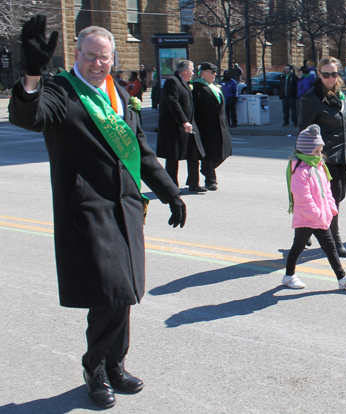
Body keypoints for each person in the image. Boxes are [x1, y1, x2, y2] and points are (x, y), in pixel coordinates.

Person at [9, 16, 186, 409]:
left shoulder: (118, 93)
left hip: (125, 207)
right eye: (90, 57)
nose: (97, 64)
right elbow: (29, 116)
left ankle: (115, 363)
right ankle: (95, 369)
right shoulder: (61, 91)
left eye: (104, 58)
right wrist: (33, 74)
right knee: (109, 292)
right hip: (87, 210)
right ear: (78, 55)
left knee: (126, 293)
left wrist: (170, 192)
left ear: (113, 59)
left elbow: (139, 149)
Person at [299, 57, 346, 257]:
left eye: (333, 74)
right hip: (322, 159)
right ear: (318, 74)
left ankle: (305, 228)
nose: (329, 78)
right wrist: (306, 161)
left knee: (337, 196)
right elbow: (304, 131)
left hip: (340, 156)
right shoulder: (311, 98)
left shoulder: (342, 96)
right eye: (325, 74)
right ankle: (335, 241)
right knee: (332, 199)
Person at [284, 124, 346, 290]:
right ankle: (289, 276)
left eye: (320, 150)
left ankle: (342, 278)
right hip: (308, 218)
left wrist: (331, 207)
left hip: (319, 217)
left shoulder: (318, 167)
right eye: (316, 151)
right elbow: (302, 197)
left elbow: (326, 189)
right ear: (305, 151)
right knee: (297, 247)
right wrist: (316, 214)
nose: (320, 154)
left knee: (330, 247)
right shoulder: (300, 170)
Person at [156, 60, 206, 192]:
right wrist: (184, 121)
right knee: (173, 158)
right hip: (175, 127)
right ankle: (172, 186)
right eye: (192, 70)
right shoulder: (172, 81)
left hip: (189, 124)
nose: (193, 72)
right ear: (185, 71)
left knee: (194, 154)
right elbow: (173, 103)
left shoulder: (183, 82)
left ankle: (194, 183)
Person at [192, 62, 232, 191]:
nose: (215, 74)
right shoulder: (197, 88)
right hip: (206, 126)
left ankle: (206, 169)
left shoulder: (214, 87)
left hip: (220, 124)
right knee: (209, 153)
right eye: (212, 72)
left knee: (225, 151)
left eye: (215, 72)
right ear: (203, 73)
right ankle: (210, 180)